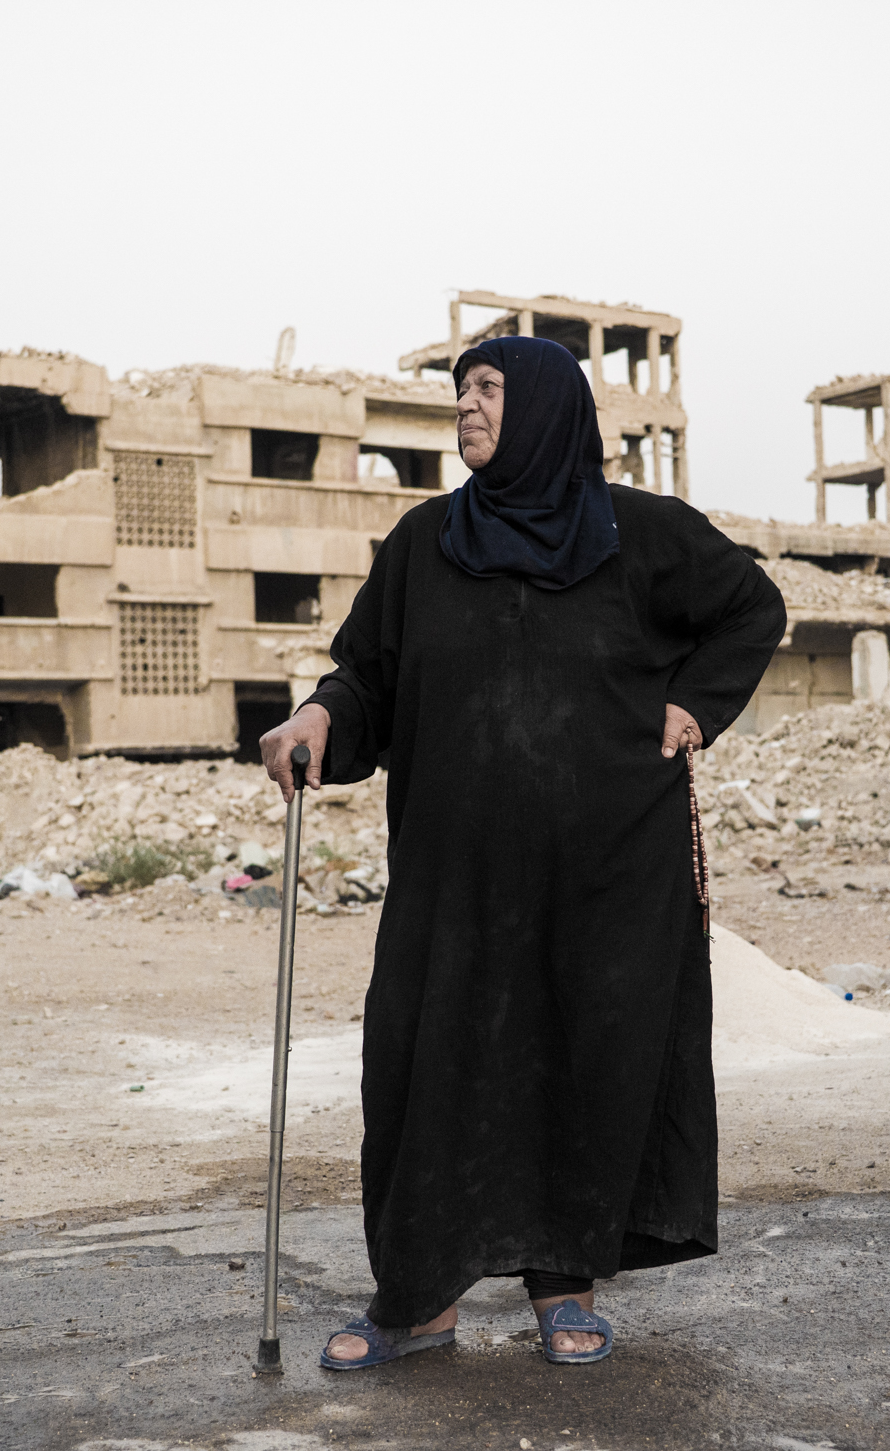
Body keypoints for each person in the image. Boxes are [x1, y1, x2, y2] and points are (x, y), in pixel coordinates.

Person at [259, 334, 786, 1369]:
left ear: (544, 406)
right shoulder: (423, 544)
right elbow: (368, 675)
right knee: (423, 1062)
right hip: (452, 876)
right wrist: (321, 714)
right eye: (460, 393)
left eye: (488, 391)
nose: (466, 408)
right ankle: (418, 1301)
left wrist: (693, 707)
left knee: (583, 1060)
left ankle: (566, 1287)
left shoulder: (640, 535)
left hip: (604, 874)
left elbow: (750, 607)